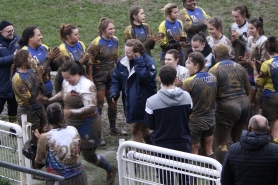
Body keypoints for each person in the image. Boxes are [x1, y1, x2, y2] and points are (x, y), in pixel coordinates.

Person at [42, 60, 117, 185]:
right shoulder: (67, 80)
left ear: (77, 73)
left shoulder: (87, 86)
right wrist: (51, 99)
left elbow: (91, 107)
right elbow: (64, 92)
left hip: (88, 124)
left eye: (68, 78)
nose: (66, 80)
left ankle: (110, 169)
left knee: (89, 156)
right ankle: (64, 174)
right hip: (71, 121)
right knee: (65, 148)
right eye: (64, 78)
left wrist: (71, 112)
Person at [145, 65, 192, 185]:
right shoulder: (187, 97)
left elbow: (150, 125)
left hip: (162, 144)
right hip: (183, 142)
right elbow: (189, 114)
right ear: (175, 79)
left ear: (159, 79)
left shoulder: (151, 101)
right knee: (185, 179)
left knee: (166, 180)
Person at [209, 44, 250, 164]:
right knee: (238, 140)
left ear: (215, 56)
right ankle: (241, 166)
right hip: (244, 103)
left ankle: (223, 171)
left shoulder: (214, 70)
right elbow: (248, 89)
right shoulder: (239, 67)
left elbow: (212, 93)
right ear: (228, 54)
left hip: (227, 106)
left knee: (221, 143)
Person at [110, 39, 156, 144]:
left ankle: (136, 157)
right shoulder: (122, 62)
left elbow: (145, 78)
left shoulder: (149, 62)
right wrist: (114, 92)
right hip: (130, 102)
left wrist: (138, 62)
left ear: (137, 53)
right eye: (125, 52)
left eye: (128, 53)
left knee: (135, 129)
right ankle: (153, 150)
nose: (126, 55)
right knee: (144, 128)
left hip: (144, 101)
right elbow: (116, 79)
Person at [87, 18, 127, 137]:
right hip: (98, 77)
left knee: (113, 102)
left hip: (111, 76)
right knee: (99, 104)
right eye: (110, 29)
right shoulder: (96, 43)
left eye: (113, 28)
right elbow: (88, 62)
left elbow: (117, 59)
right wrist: (91, 79)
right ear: (103, 30)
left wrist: (121, 73)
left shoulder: (115, 40)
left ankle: (113, 128)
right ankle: (97, 132)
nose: (113, 31)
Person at [11, 50, 49, 172]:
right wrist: (37, 81)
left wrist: (40, 78)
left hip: (40, 108)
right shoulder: (17, 79)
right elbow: (30, 98)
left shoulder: (31, 71)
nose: (32, 59)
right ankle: (33, 169)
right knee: (33, 140)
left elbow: (42, 90)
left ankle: (42, 161)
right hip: (28, 111)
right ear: (23, 61)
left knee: (45, 134)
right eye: (30, 58)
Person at [35, 102, 87, 185]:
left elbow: (39, 164)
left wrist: (41, 142)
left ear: (48, 118)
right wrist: (43, 140)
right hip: (80, 177)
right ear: (63, 116)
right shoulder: (73, 130)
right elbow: (76, 153)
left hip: (59, 180)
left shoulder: (46, 137)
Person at [221, 115, 278, 185]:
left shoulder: (233, 149)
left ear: (249, 128)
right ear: (268, 129)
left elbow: (225, 179)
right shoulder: (275, 150)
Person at [182, 52, 217, 157]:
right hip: (210, 119)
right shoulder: (213, 78)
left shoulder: (189, 82)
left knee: (194, 150)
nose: (186, 66)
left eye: (188, 63)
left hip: (195, 121)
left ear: (196, 65)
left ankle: (194, 173)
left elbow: (183, 102)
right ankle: (214, 172)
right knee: (209, 149)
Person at [238, 17, 269, 116]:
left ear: (258, 29)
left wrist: (251, 62)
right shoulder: (250, 39)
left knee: (261, 101)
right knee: (249, 99)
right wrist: (244, 59)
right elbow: (247, 53)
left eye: (252, 28)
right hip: (250, 72)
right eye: (249, 28)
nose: (249, 30)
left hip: (261, 73)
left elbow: (266, 61)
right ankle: (249, 121)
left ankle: (262, 121)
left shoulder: (264, 41)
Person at [18, 26, 60, 98]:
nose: (41, 37)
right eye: (39, 35)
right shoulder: (24, 52)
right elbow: (32, 75)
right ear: (31, 38)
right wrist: (48, 59)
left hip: (48, 91)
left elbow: (54, 68)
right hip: (36, 94)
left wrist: (53, 61)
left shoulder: (44, 47)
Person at [251, 36, 278, 143]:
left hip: (271, 97)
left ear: (266, 50)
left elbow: (258, 83)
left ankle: (274, 148)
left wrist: (254, 68)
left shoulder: (267, 64)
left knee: (271, 126)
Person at [0, 20, 19, 124]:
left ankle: (13, 128)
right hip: (2, 83)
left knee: (13, 107)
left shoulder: (18, 40)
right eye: (8, 31)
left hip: (14, 82)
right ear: (1, 32)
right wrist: (13, 57)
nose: (12, 32)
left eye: (12, 30)